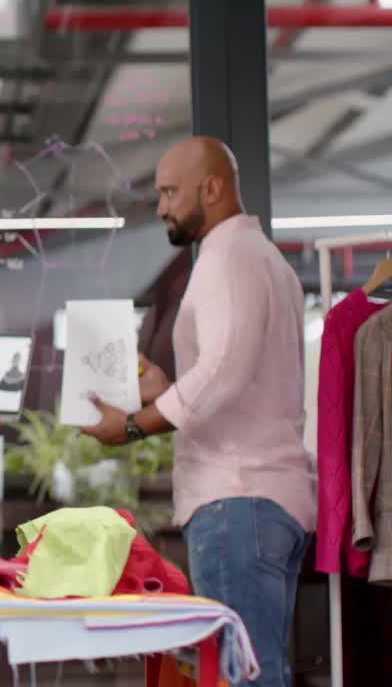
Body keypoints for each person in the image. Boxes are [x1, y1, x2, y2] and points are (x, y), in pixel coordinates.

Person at [82, 136, 314, 687]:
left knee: (243, 678)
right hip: (261, 498)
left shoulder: (229, 258)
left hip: (238, 500)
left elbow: (226, 371)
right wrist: (166, 386)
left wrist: (134, 425)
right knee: (255, 673)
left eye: (170, 192)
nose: (160, 206)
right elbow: (235, 374)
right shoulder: (260, 259)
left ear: (212, 188)